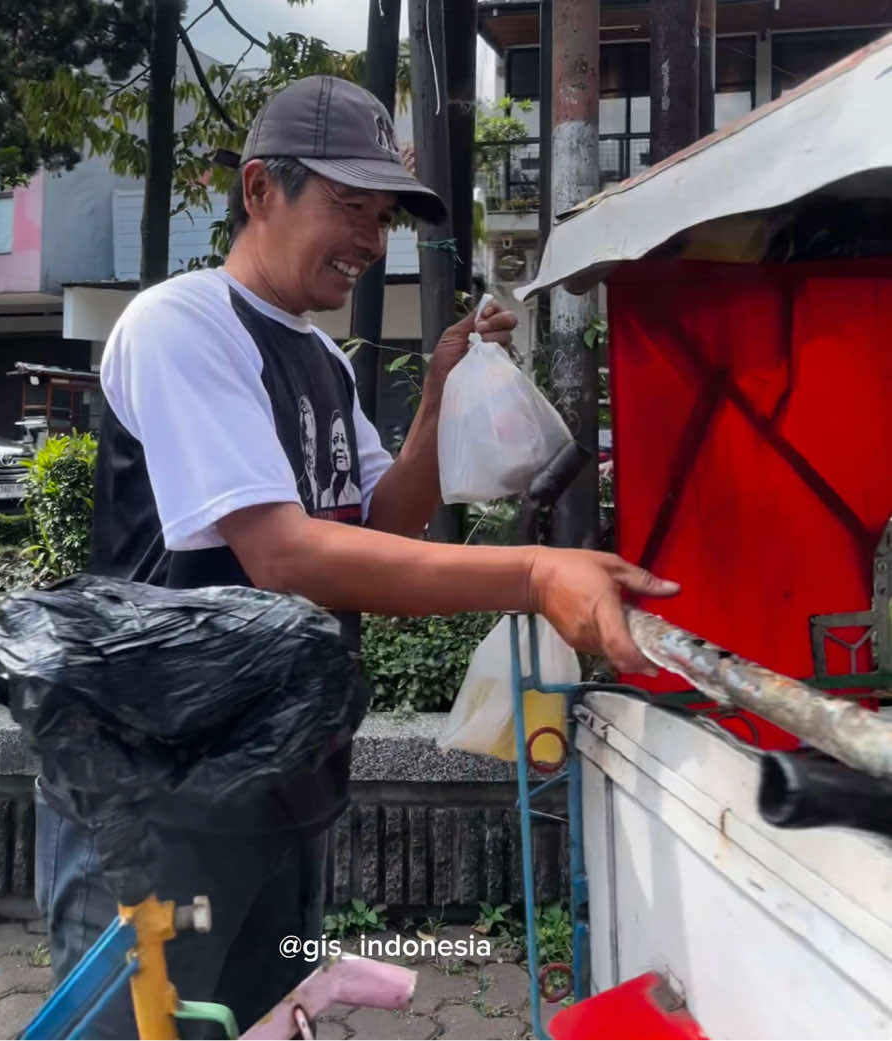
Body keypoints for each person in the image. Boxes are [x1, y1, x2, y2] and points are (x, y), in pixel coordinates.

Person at [34, 74, 678, 1038]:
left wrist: (436, 398)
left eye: (382, 217)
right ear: (259, 190)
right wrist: (536, 575)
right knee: (146, 1028)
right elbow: (284, 554)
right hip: (154, 798)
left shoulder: (325, 364)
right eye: (347, 205)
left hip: (279, 784)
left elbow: (383, 520)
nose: (372, 242)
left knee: (258, 1014)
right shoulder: (182, 326)